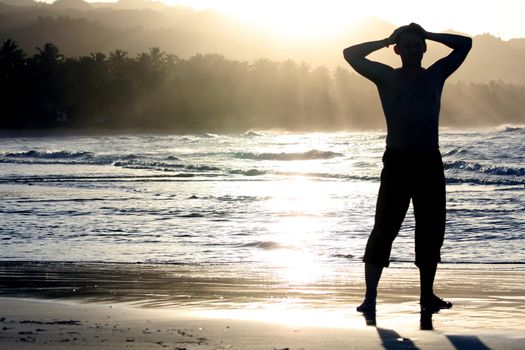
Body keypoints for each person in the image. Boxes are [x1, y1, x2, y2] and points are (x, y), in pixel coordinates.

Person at [343, 23, 471, 313]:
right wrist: (386, 40)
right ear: (398, 50)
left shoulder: (436, 75)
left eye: (418, 46)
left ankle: (427, 296)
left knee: (431, 231)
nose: (413, 51)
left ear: (424, 48)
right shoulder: (386, 77)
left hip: (428, 163)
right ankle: (370, 298)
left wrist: (428, 34)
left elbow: (466, 45)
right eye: (407, 46)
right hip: (398, 162)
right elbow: (350, 54)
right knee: (384, 229)